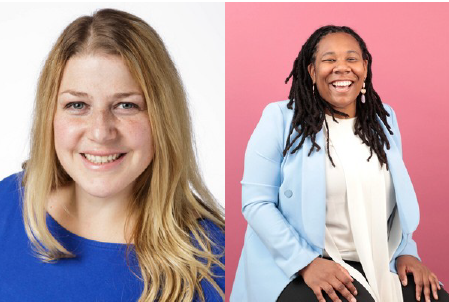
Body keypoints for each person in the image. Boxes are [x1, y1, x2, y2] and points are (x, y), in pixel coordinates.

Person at [0, 9, 224, 302]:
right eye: (77, 105)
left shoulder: (216, 260)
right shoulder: (7, 204)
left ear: (163, 118)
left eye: (126, 106)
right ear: (50, 117)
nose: (100, 132)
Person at [231, 25, 447, 302]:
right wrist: (306, 262)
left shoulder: (384, 120)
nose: (342, 68)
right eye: (329, 60)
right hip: (298, 263)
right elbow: (256, 203)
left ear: (365, 68)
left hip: (376, 259)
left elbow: (393, 203)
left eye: (351, 59)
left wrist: (407, 251)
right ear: (311, 71)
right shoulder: (280, 119)